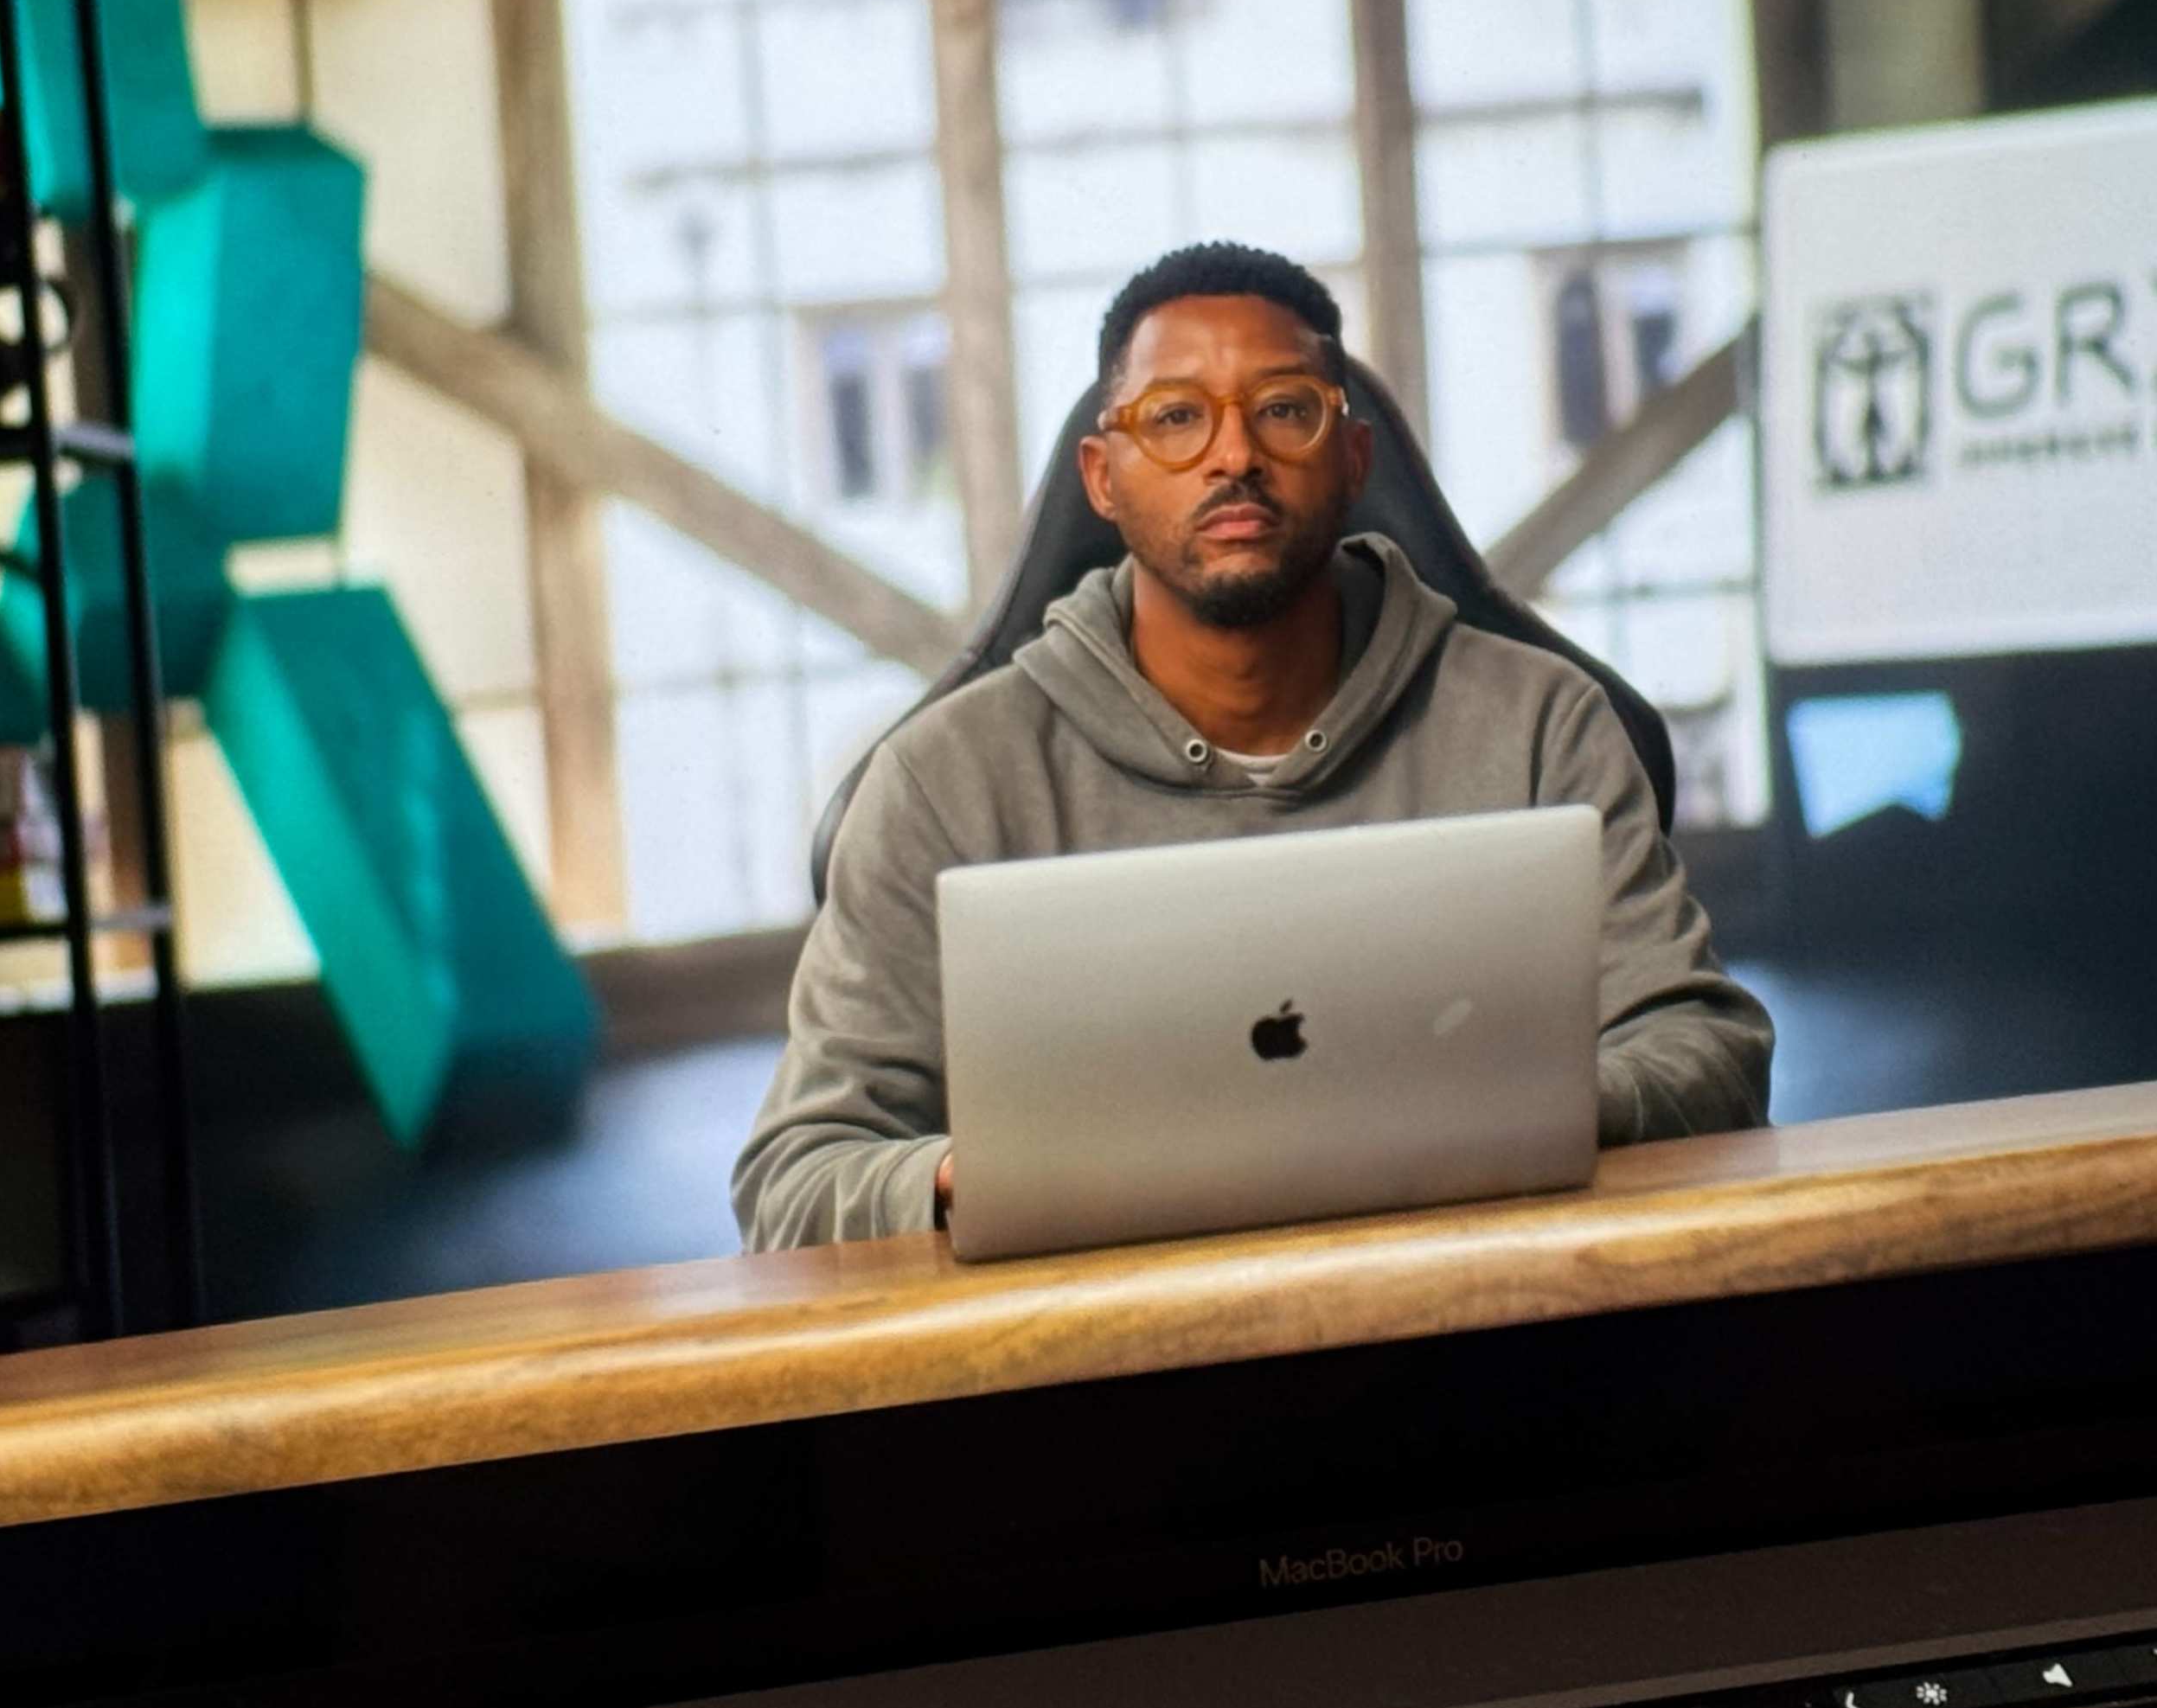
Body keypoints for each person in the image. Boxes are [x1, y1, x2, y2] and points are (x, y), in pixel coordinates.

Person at [730, 241, 1775, 1251]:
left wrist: (1528, 1116)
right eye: (1176, 417)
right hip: (1091, 1376)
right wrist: (977, 1177)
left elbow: (1707, 1053)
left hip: (1474, 1327)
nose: (1234, 456)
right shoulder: (943, 781)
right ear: (1102, 477)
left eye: (1284, 410)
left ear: (1353, 455)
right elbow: (794, 1179)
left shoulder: (1541, 723)